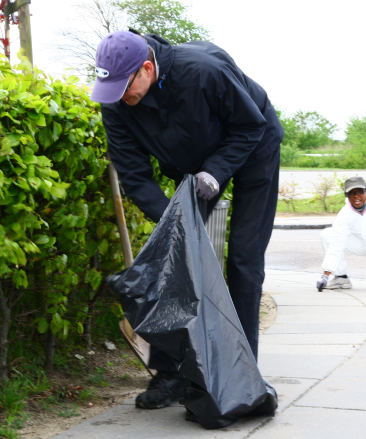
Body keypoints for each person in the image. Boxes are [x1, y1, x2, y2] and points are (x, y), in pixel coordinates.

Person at [90, 30, 283, 410]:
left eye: (125, 87)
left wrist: (217, 170)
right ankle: (171, 374)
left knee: (243, 259)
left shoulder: (203, 71)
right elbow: (135, 175)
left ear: (147, 68)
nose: (120, 97)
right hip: (192, 162)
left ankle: (240, 375)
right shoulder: (115, 101)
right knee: (173, 255)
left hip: (253, 147)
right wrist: (174, 224)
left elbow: (250, 125)